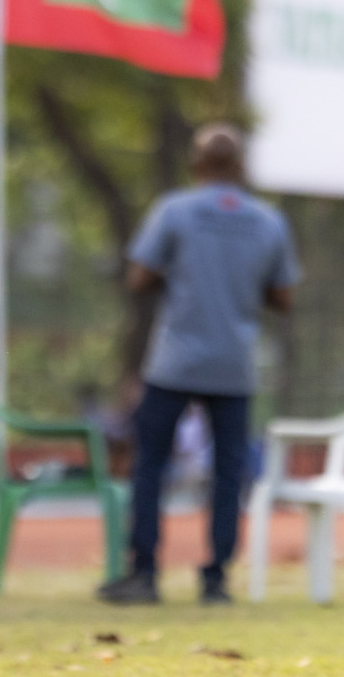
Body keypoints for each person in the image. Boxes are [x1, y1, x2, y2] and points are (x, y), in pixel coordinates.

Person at [97, 123, 299, 606]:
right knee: (229, 472)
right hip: (235, 363)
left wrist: (181, 273)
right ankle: (216, 580)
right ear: (242, 166)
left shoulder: (175, 211)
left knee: (151, 464)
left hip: (175, 361)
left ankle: (145, 573)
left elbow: (138, 277)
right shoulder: (268, 221)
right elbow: (284, 296)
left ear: (196, 163)